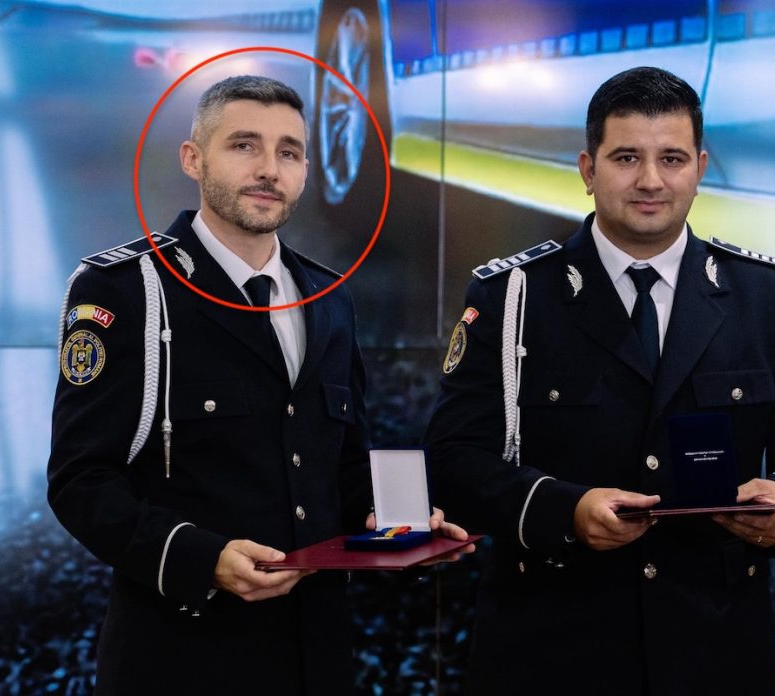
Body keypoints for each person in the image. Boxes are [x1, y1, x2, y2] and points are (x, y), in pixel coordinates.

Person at [424, 66, 775, 695]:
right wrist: (566, 510)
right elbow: (454, 458)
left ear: (700, 168)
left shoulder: (769, 297)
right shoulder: (513, 295)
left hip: (714, 655)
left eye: (672, 159)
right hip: (551, 652)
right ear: (587, 168)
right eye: (626, 157)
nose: (651, 180)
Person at [48, 75, 466, 695]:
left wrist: (391, 521)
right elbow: (80, 480)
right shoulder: (128, 288)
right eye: (245, 145)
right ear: (193, 158)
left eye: (289, 152)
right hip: (182, 657)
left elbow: (342, 464)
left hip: (316, 655)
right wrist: (200, 558)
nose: (270, 168)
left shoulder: (329, 298)